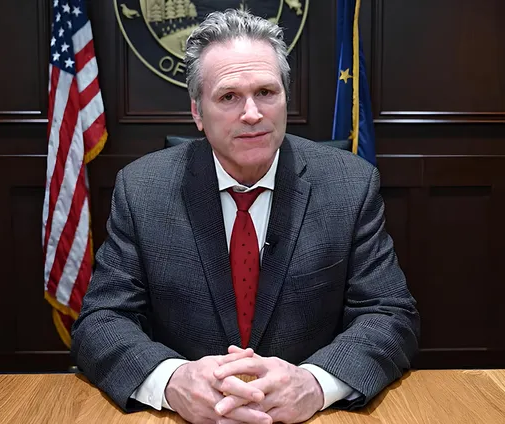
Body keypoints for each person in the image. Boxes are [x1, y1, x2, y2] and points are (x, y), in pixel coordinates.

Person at [71, 9, 420, 424]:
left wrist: (315, 383)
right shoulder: (142, 189)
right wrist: (172, 380)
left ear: (286, 99)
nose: (252, 113)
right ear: (198, 112)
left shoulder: (350, 184)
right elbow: (102, 320)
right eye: (228, 97)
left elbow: (389, 313)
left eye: (266, 92)